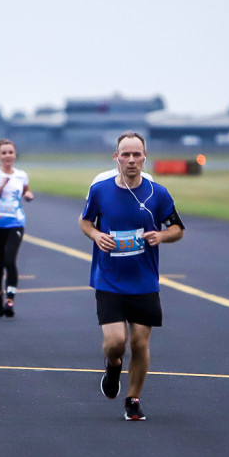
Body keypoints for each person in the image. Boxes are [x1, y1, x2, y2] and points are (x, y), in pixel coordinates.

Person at [79, 132, 185, 421]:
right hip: (109, 279)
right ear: (116, 157)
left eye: (137, 154)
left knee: (140, 343)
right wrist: (97, 235)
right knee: (116, 343)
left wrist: (161, 235)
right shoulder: (101, 190)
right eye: (125, 154)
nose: (131, 159)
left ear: (144, 157)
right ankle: (112, 367)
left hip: (144, 281)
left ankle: (133, 399)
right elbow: (85, 221)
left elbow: (178, 229)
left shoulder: (157, 193)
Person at [0, 139, 35, 318]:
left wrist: (28, 195)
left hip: (16, 223)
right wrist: (1, 187)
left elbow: (26, 191)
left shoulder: (21, 175)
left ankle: (9, 299)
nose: (7, 156)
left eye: (10, 152)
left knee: (10, 261)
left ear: (14, 155)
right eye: (3, 153)